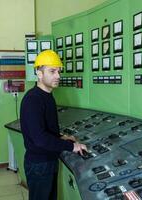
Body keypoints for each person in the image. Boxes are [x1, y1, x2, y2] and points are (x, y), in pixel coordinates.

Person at [20, 50, 87, 200]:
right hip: (39, 164)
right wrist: (72, 146)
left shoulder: (47, 95)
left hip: (48, 160)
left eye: (59, 71)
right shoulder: (33, 99)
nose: (58, 76)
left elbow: (46, 128)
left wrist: (62, 137)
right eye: (52, 71)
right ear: (39, 73)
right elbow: (40, 138)